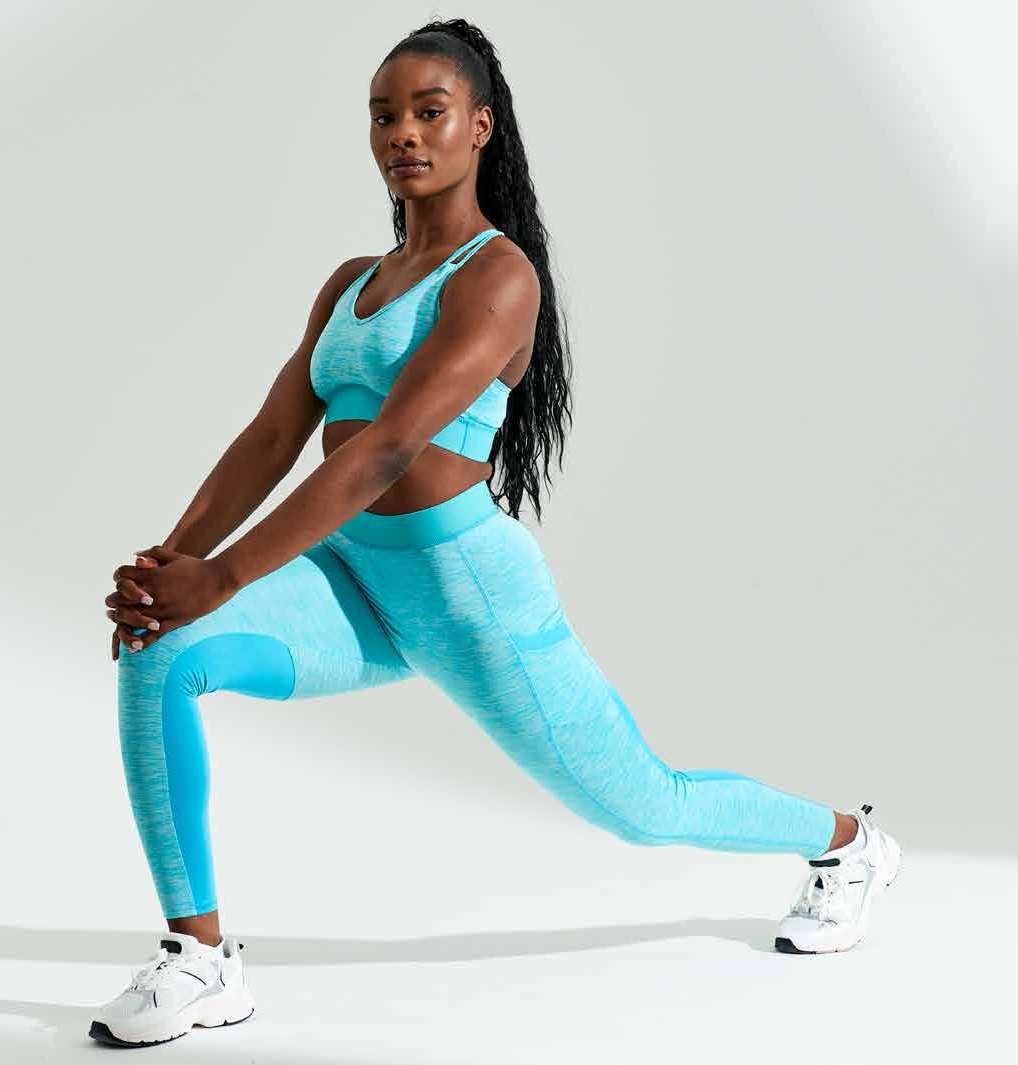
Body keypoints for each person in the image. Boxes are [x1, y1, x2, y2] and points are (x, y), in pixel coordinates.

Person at [91, 18, 902, 1049]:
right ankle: (200, 959)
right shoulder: (349, 283)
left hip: (466, 593)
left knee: (642, 805)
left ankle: (847, 842)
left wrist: (223, 575)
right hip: (351, 578)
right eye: (383, 115)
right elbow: (270, 436)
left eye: (428, 112)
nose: (402, 133)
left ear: (479, 126)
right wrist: (172, 568)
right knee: (159, 649)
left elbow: (387, 448)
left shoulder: (497, 276)